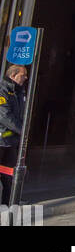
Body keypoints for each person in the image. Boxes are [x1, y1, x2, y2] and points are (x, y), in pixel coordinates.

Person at [0, 63, 27, 204]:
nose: (26, 78)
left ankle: (7, 205)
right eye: (23, 75)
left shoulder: (19, 91)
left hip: (11, 141)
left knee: (9, 177)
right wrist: (22, 129)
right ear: (13, 75)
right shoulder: (2, 90)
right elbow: (4, 116)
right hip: (1, 139)